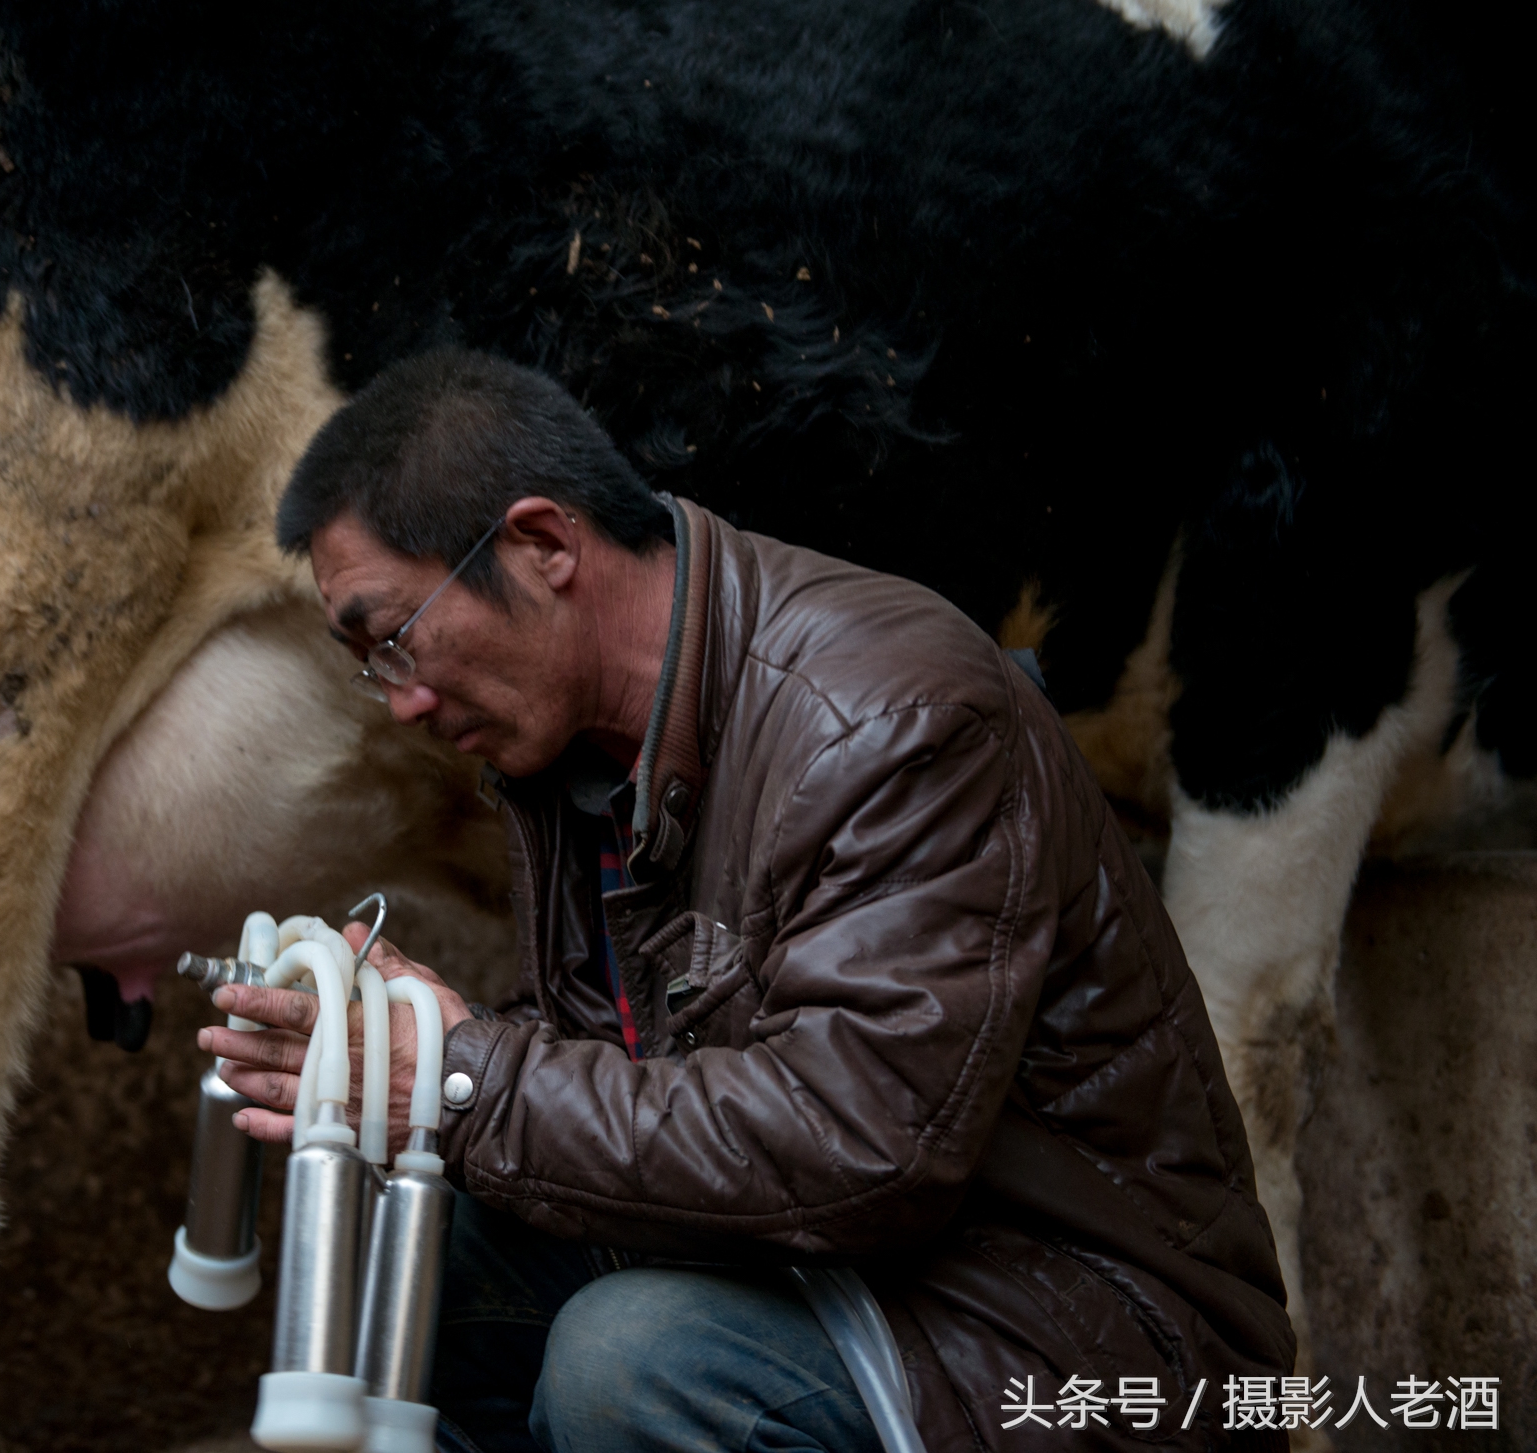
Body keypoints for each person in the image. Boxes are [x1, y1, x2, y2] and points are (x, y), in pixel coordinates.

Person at [199, 349, 1294, 1452]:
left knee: (628, 1365)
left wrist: (462, 1079)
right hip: (849, 1266)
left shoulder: (892, 719)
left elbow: (866, 1149)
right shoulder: (579, 756)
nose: (402, 700)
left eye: (396, 637)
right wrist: (427, 1050)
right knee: (439, 1250)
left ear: (540, 545)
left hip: (1079, 1332)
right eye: (371, 665)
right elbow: (623, 1071)